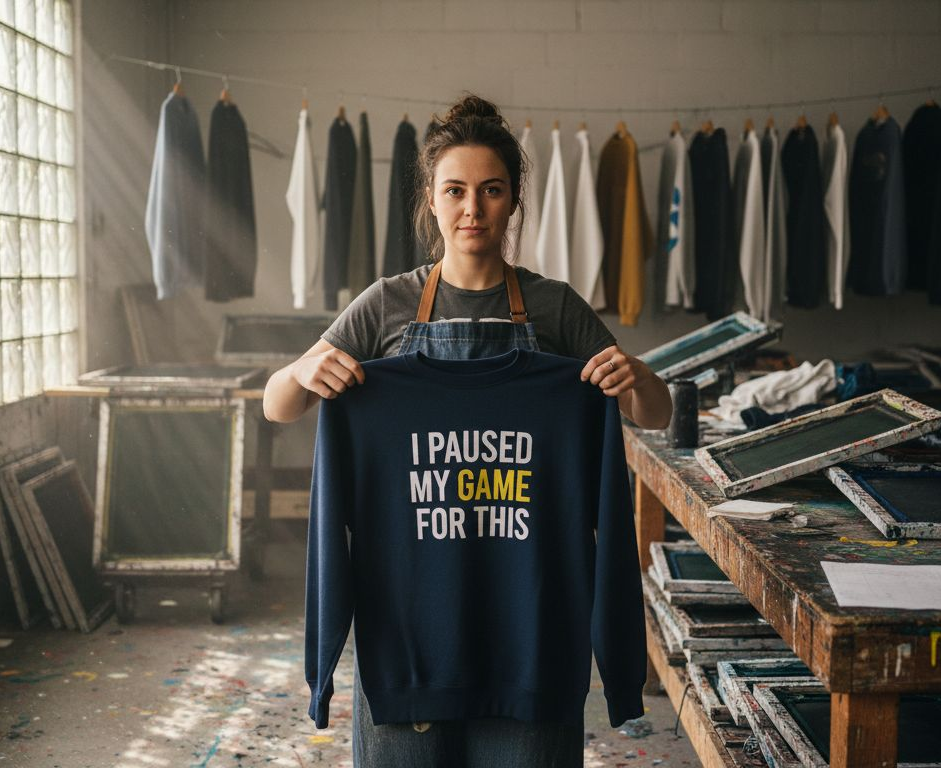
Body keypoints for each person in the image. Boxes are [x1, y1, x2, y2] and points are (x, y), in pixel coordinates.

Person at [263, 94, 671, 767]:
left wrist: (635, 376)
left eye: (491, 191)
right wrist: (306, 369)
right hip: (410, 639)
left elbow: (652, 415)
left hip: (530, 641)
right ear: (431, 198)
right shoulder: (386, 305)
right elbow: (280, 406)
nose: (472, 210)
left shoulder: (556, 309)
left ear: (514, 201)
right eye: (455, 191)